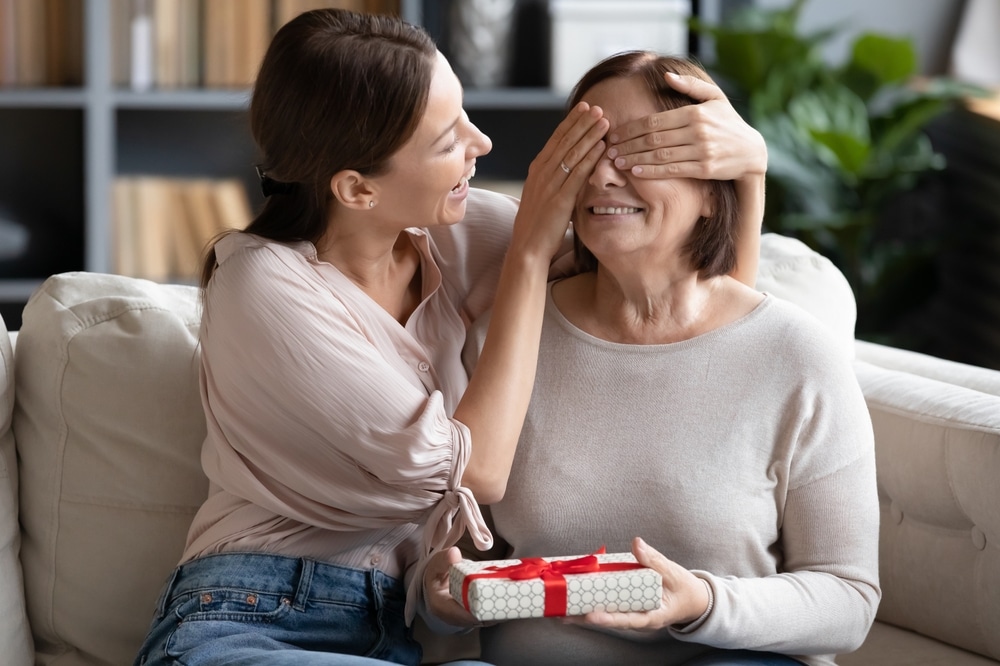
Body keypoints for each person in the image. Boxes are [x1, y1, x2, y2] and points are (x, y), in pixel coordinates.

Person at [132, 8, 768, 666]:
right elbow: (478, 471)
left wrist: (747, 172)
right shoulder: (263, 288)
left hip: (403, 630)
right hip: (249, 616)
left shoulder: (461, 230)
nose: (483, 144)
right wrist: (527, 257)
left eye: (464, 112)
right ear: (357, 188)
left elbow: (690, 310)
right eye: (447, 141)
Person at [425, 53, 880, 666]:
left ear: (715, 194)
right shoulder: (506, 342)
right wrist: (443, 596)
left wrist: (704, 603)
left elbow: (849, 599)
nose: (602, 178)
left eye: (641, 152)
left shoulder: (796, 356)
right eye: (587, 150)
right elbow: (460, 557)